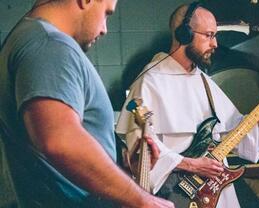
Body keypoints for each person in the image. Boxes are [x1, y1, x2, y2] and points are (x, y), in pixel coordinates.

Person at [0, 0, 174, 207]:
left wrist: (123, 168)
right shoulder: (49, 44)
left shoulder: (28, 39)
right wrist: (143, 200)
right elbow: (60, 140)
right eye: (106, 14)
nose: (104, 30)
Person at [116, 2, 259, 208]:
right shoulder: (150, 81)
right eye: (209, 35)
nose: (215, 43)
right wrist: (192, 165)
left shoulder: (204, 82)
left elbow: (233, 131)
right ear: (184, 35)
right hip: (175, 194)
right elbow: (140, 153)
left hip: (215, 191)